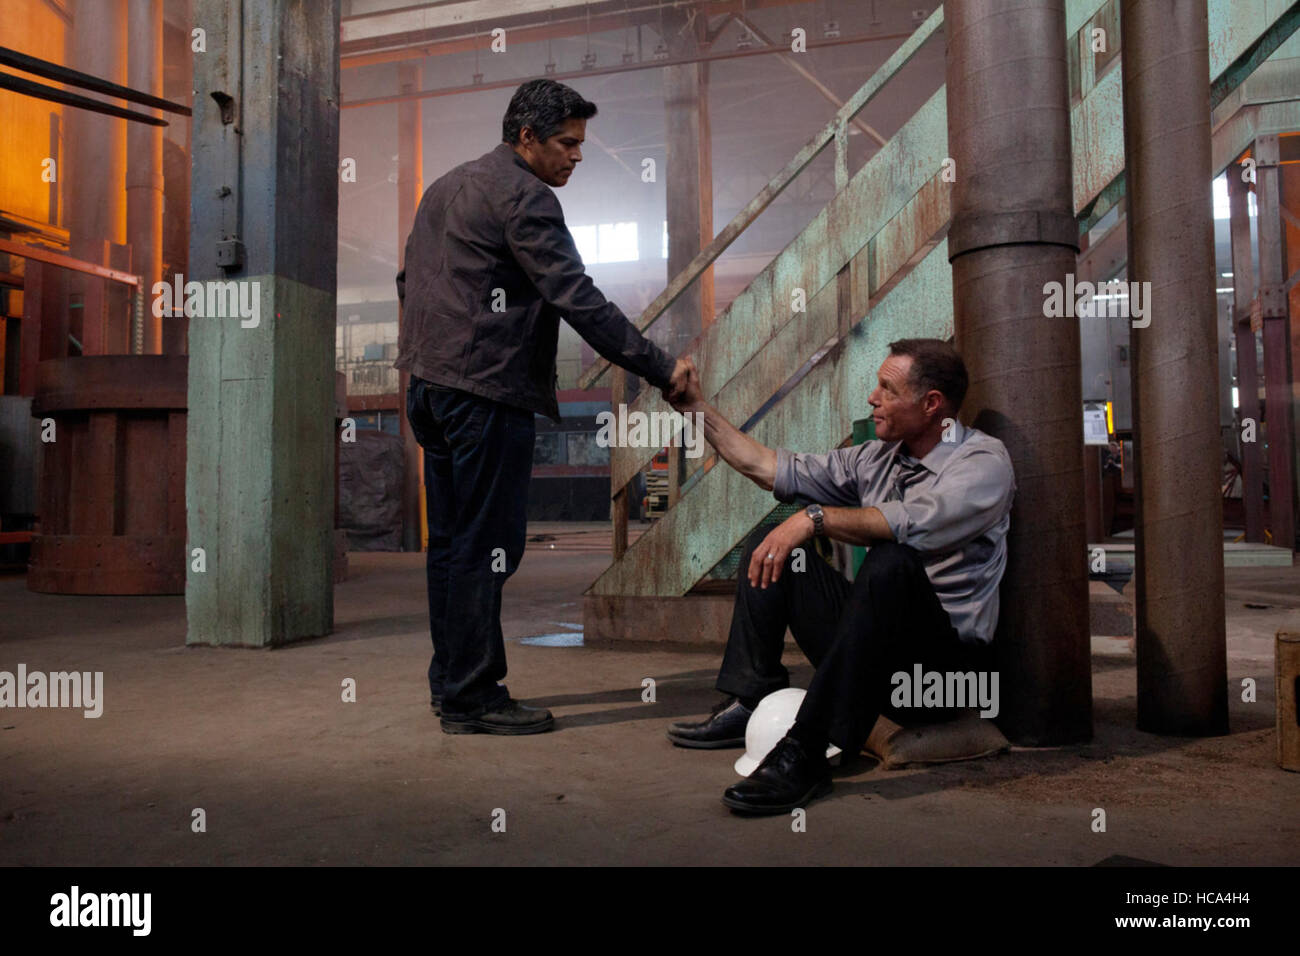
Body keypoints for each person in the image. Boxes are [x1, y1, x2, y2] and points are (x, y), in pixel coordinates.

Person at [395, 78, 693, 736]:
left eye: (580, 144)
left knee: (449, 544)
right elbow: (575, 297)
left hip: (428, 387)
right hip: (483, 391)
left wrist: (425, 356)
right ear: (525, 137)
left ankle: (451, 686)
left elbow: (406, 281)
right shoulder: (523, 194)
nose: (577, 157)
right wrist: (660, 366)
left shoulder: (443, 187)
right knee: (487, 546)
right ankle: (475, 696)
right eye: (566, 143)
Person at [665, 338, 1015, 813]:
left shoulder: (982, 462)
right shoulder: (876, 457)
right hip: (878, 655)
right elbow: (767, 467)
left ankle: (805, 752)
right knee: (775, 548)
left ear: (931, 404)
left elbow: (908, 524)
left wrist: (812, 518)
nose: (873, 397)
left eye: (887, 389)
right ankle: (753, 697)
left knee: (892, 560)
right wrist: (697, 409)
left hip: (939, 673)